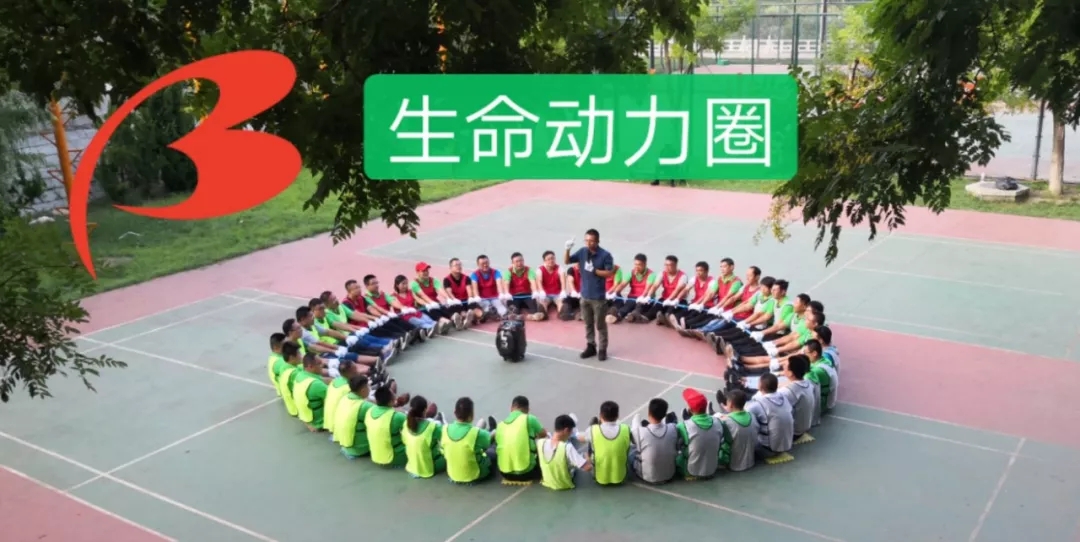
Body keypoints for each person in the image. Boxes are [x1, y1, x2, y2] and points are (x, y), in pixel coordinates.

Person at [564, 229, 616, 361]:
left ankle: (602, 349)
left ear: (597, 241)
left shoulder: (605, 255)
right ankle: (591, 346)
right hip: (584, 295)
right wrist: (567, 249)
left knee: (600, 325)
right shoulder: (582, 251)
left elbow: (609, 273)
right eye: (586, 240)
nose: (588, 243)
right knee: (588, 323)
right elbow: (567, 261)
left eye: (591, 241)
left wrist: (595, 271)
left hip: (598, 297)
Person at [689, 266, 762, 340]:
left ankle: (703, 332)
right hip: (736, 314)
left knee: (724, 322)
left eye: (750, 276)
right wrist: (720, 308)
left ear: (757, 277)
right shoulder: (745, 287)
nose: (747, 278)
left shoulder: (759, 292)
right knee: (717, 320)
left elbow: (747, 305)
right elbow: (733, 298)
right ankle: (701, 330)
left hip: (746, 318)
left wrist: (730, 311)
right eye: (747, 275)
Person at [320, 290, 398, 354]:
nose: (336, 300)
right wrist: (356, 329)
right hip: (343, 338)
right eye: (333, 300)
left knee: (368, 337)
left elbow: (354, 314)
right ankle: (384, 349)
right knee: (364, 342)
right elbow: (340, 325)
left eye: (335, 298)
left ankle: (390, 343)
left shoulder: (341, 306)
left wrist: (371, 320)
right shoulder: (327, 314)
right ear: (326, 304)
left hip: (351, 333)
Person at [442, 397, 498, 484]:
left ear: (455, 412)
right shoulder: (475, 433)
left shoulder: (445, 429)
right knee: (492, 449)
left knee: (480, 427)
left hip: (453, 474)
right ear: (472, 415)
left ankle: (489, 429)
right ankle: (492, 429)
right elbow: (488, 441)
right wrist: (495, 432)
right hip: (475, 474)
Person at [680, 258, 742, 333]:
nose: (722, 269)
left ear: (732, 267)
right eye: (721, 267)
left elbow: (728, 297)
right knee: (706, 315)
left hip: (729, 310)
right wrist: (701, 304)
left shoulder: (736, 282)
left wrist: (717, 307)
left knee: (714, 320)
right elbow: (711, 293)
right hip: (720, 307)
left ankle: (697, 330)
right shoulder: (720, 279)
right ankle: (691, 327)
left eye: (724, 266)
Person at [495, 396, 548, 482]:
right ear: (527, 410)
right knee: (545, 445)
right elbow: (544, 434)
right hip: (527, 473)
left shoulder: (500, 425)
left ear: (511, 408)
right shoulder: (529, 418)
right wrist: (533, 435)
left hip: (505, 473)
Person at [676, 389, 726, 480]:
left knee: (678, 447)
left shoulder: (683, 426)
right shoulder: (718, 422)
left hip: (691, 471)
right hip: (712, 469)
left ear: (690, 409)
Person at [342, 279, 411, 345]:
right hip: (360, 329)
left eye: (359, 287)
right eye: (356, 288)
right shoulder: (346, 303)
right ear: (349, 291)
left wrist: (381, 316)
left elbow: (370, 309)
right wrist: (373, 319)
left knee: (390, 322)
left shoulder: (361, 298)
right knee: (382, 331)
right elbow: (358, 315)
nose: (359, 289)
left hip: (369, 323)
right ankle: (399, 339)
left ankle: (408, 334)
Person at [363, 275, 424, 345]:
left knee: (401, 321)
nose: (376, 285)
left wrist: (403, 308)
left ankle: (415, 332)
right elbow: (375, 308)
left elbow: (392, 301)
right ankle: (405, 337)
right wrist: (385, 314)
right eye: (373, 283)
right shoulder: (366, 297)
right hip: (380, 320)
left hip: (389, 317)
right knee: (393, 328)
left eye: (377, 283)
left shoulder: (382, 294)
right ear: (367, 286)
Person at [630, 398, 678, 485]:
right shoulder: (673, 428)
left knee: (632, 450)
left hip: (647, 476)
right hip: (669, 474)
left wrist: (637, 415)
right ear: (664, 415)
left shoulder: (639, 432)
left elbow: (634, 426)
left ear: (649, 413)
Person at [537, 414, 592, 491]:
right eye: (570, 432)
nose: (570, 434)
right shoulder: (567, 447)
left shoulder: (540, 442)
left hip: (548, 481)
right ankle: (576, 435)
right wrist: (588, 458)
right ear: (566, 430)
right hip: (563, 484)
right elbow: (587, 468)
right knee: (582, 458)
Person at [746, 373, 794, 458]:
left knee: (744, 422)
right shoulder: (784, 397)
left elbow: (743, 414)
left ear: (760, 387)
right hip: (788, 443)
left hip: (768, 450)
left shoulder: (758, 403)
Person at [584, 400, 631, 486]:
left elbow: (581, 438)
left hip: (599, 477)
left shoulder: (592, 430)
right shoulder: (626, 429)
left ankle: (596, 425)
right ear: (617, 416)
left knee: (591, 440)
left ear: (600, 415)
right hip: (620, 477)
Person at [402, 395, 447, 479]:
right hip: (429, 468)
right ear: (425, 409)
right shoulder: (431, 427)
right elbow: (447, 437)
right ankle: (441, 421)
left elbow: (404, 441)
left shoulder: (406, 424)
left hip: (412, 466)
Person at [714, 389, 758, 472]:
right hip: (750, 461)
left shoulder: (726, 421)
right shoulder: (752, 416)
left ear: (731, 404)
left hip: (734, 464)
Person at [366, 385, 409, 468]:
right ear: (391, 402)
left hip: (375, 456)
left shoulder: (369, 411)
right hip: (394, 458)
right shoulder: (397, 416)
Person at [333, 375, 374, 459]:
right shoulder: (364, 406)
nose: (369, 389)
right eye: (368, 386)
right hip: (361, 449)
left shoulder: (345, 398)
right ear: (363, 390)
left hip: (345, 444)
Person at [644, 255, 689, 326]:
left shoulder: (683, 276)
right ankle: (647, 318)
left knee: (669, 312)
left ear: (675, 265)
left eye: (669, 265)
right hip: (665, 298)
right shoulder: (662, 274)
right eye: (665, 265)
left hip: (677, 300)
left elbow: (677, 290)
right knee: (655, 309)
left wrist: (669, 300)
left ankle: (665, 319)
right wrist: (648, 296)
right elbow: (655, 285)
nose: (666, 267)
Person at [780, 354, 817, 440]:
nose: (783, 366)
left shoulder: (788, 392)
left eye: (785, 365)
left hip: (794, 432)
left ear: (790, 373)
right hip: (805, 425)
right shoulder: (807, 383)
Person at [408, 263, 454, 331]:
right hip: (423, 306)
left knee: (443, 308)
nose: (426, 272)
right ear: (418, 272)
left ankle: (454, 318)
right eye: (423, 271)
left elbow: (440, 290)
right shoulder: (414, 284)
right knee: (432, 311)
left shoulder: (434, 280)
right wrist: (431, 303)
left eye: (427, 270)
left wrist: (448, 298)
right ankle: (444, 322)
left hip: (435, 303)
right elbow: (422, 295)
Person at [670, 261, 715, 332]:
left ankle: (685, 324)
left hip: (706, 304)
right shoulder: (694, 279)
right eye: (697, 270)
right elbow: (686, 289)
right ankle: (679, 321)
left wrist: (697, 304)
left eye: (700, 271)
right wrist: (677, 299)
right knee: (683, 311)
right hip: (695, 303)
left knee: (694, 314)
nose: (698, 273)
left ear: (706, 271)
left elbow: (706, 295)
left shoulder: (712, 282)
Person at [292, 352, 330, 431]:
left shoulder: (300, 375)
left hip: (307, 418)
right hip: (321, 422)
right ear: (311, 366)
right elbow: (337, 397)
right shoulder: (316, 385)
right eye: (319, 363)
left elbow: (323, 380)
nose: (322, 365)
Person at [805, 339, 838, 425]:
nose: (804, 355)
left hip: (824, 404)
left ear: (814, 353)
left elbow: (798, 380)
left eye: (806, 353)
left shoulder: (818, 371)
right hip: (829, 397)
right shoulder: (824, 360)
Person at [441, 258, 480, 330]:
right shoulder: (447, 280)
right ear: (450, 268)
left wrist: (470, 297)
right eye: (456, 265)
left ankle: (468, 317)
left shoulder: (466, 278)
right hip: (455, 302)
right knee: (455, 308)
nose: (459, 266)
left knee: (475, 307)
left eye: (460, 265)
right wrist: (454, 300)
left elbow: (469, 290)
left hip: (465, 301)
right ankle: (464, 318)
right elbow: (449, 292)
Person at [619, 254, 659, 323]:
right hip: (633, 297)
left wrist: (642, 297)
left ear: (645, 264)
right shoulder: (630, 273)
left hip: (646, 298)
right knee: (627, 306)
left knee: (640, 305)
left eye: (639, 265)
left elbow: (647, 288)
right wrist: (614, 292)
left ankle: (633, 315)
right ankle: (618, 315)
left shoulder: (651, 274)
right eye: (635, 264)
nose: (637, 267)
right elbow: (622, 285)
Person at [504, 252, 543, 320]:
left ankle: (533, 316)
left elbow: (532, 281)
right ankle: (516, 316)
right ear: (512, 263)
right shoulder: (508, 271)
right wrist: (507, 293)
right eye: (517, 261)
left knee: (535, 309)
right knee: (513, 310)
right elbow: (506, 283)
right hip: (514, 297)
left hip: (527, 296)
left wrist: (535, 291)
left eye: (521, 260)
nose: (519, 263)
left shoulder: (529, 270)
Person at [470, 255, 509, 322]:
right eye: (482, 264)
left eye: (487, 263)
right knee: (487, 308)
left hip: (495, 298)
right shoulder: (474, 275)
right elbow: (474, 288)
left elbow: (499, 284)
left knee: (502, 310)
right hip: (482, 299)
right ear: (478, 265)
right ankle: (488, 314)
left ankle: (501, 315)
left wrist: (501, 294)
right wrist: (476, 296)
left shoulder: (496, 272)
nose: (485, 265)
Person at [534, 250, 565, 320]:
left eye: (552, 258)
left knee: (561, 303)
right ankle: (543, 314)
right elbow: (539, 281)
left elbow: (563, 281)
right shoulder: (540, 269)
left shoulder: (560, 268)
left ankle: (562, 313)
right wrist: (541, 291)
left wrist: (563, 291)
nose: (551, 261)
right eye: (548, 259)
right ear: (544, 261)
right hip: (545, 294)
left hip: (557, 293)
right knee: (543, 303)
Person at [275, 341, 302, 417]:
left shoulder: (284, 367)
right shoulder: (294, 374)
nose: (301, 356)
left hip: (291, 406)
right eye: (299, 354)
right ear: (292, 357)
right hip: (298, 409)